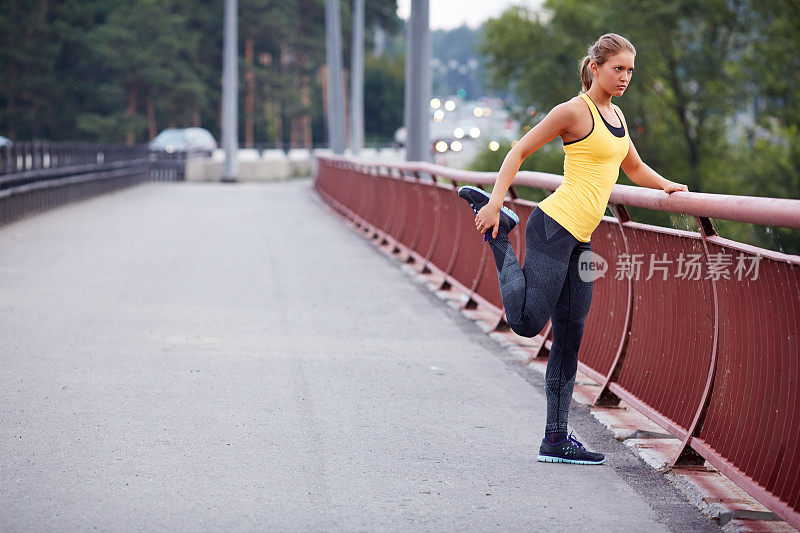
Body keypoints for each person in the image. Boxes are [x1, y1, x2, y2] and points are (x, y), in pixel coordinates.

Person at [457, 33, 688, 465]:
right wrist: (494, 201)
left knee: (569, 337)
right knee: (526, 323)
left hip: (581, 239)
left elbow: (633, 168)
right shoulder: (573, 111)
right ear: (595, 67)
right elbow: (519, 150)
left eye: (630, 71)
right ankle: (501, 236)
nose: (625, 78)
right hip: (554, 226)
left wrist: (669, 186)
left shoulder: (616, 115)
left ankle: (556, 439)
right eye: (617, 69)